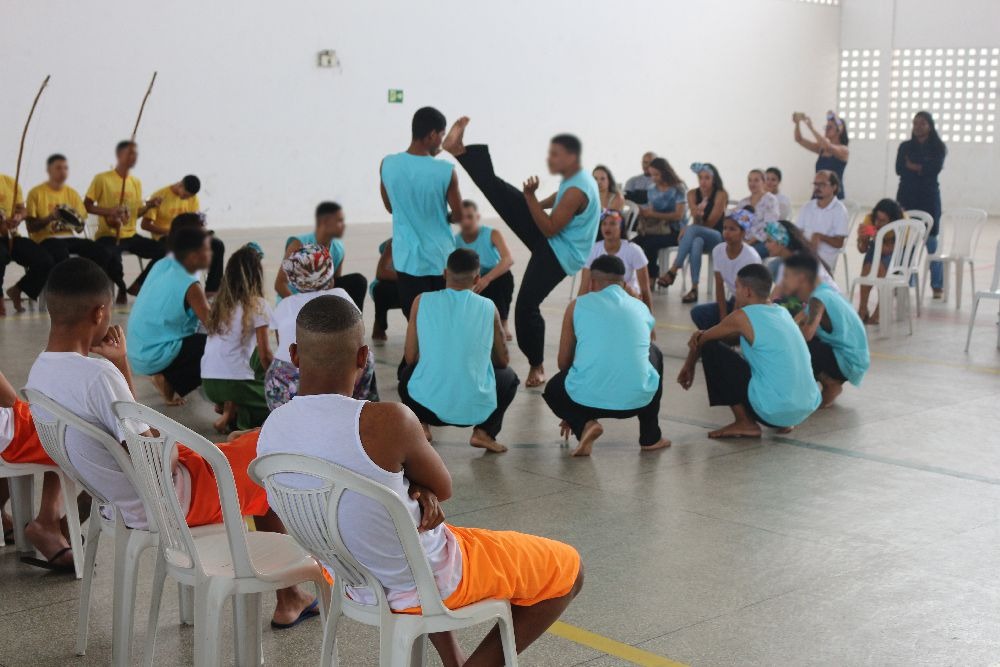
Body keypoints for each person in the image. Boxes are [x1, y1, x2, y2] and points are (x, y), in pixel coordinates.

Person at [257, 295, 583, 666]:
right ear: (363, 358)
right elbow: (444, 488)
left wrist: (410, 487)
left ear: (295, 355)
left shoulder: (272, 430)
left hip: (348, 579)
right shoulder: (388, 422)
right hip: (422, 580)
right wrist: (421, 485)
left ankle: (453, 658)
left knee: (411, 535)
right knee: (569, 570)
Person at [26, 257, 320, 627]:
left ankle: (290, 594)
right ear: (101, 312)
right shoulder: (96, 376)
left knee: (246, 444)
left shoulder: (40, 371)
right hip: (170, 499)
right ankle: (290, 596)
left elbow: (128, 424)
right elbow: (155, 461)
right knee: (269, 455)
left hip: (120, 501)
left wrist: (122, 367)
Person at [443, 117, 601, 388]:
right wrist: (532, 203)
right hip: (556, 240)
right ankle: (460, 151)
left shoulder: (577, 188)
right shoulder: (575, 176)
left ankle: (537, 366)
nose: (550, 159)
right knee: (503, 195)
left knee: (527, 306)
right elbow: (558, 199)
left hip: (559, 253)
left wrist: (528, 200)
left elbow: (550, 228)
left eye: (555, 155)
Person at [677, 264, 821, 438]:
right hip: (802, 410)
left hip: (773, 411)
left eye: (736, 287)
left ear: (747, 292)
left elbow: (703, 340)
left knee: (710, 347)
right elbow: (735, 339)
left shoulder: (742, 316)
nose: (734, 292)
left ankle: (744, 422)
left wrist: (689, 365)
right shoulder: (781, 312)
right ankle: (784, 422)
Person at [543, 255, 669, 456]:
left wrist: (570, 410)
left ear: (592, 282)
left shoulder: (577, 306)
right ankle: (650, 436)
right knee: (654, 353)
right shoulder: (641, 307)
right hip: (636, 402)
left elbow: (563, 363)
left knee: (552, 389)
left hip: (585, 402)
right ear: (624, 283)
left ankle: (584, 424)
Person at [398, 249, 518, 453]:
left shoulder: (421, 301)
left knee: (406, 374)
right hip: (475, 410)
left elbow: (410, 357)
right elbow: (502, 361)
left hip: (426, 405)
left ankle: (422, 427)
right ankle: (484, 432)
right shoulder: (489, 307)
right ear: (477, 278)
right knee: (510, 378)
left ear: (445, 273)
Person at [266, 244, 377, 411]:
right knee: (366, 356)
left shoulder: (284, 305)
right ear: (330, 277)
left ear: (294, 281)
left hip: (282, 382)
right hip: (332, 380)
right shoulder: (340, 295)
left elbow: (282, 344)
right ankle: (359, 409)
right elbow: (357, 336)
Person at [380, 107, 464, 318]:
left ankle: (414, 352)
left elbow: (391, 207)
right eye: (442, 136)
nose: (441, 143)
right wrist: (446, 216)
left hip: (406, 258)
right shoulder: (446, 170)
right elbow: (460, 215)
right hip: (439, 257)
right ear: (432, 134)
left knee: (415, 319)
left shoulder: (387, 164)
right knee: (440, 318)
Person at [0, 368, 86, 572]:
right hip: (7, 433)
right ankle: (48, 521)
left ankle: (8, 519)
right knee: (64, 427)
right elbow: (8, 398)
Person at [126, 225, 213, 406]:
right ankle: (169, 381)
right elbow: (214, 326)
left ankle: (164, 374)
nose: (210, 254)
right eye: (206, 249)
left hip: (137, 350)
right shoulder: (191, 285)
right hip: (154, 355)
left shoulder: (163, 264)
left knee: (199, 334)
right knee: (214, 348)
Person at [781, 254, 869, 408]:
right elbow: (798, 320)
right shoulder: (824, 292)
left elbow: (806, 334)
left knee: (799, 346)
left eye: (787, 276)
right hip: (854, 358)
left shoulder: (818, 298)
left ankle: (830, 383)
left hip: (848, 361)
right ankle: (827, 382)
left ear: (801, 278)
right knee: (796, 339)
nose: (784, 281)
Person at [202, 245, 273, 433]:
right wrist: (276, 381)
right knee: (279, 405)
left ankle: (229, 410)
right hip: (234, 384)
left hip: (209, 383)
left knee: (249, 356)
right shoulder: (258, 305)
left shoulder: (219, 304)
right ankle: (241, 424)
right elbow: (266, 355)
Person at [85, 141, 166, 303]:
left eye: (135, 154)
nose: (134, 157)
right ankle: (121, 287)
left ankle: (138, 285)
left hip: (131, 235)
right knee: (109, 255)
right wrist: (110, 211)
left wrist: (149, 206)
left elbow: (135, 213)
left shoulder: (135, 182)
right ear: (119, 156)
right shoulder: (102, 179)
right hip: (109, 234)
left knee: (166, 251)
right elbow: (87, 205)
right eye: (130, 153)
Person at [24, 154, 111, 279]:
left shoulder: (72, 193)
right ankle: (64, 289)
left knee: (102, 252)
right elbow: (31, 228)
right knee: (60, 253)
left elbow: (80, 224)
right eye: (58, 168)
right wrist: (50, 218)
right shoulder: (36, 193)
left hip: (69, 237)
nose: (63, 171)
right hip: (45, 239)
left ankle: (88, 285)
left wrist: (73, 221)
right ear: (49, 170)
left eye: (65, 168)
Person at [139, 175, 226, 295]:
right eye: (185, 195)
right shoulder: (160, 196)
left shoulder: (193, 198)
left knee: (217, 244)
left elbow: (194, 220)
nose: (186, 198)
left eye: (189, 197)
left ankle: (212, 290)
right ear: (180, 185)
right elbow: (145, 225)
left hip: (188, 236)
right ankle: (145, 285)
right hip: (166, 236)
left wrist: (201, 229)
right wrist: (170, 231)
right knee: (166, 250)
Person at [278, 201, 368, 311]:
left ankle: (354, 324)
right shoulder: (299, 243)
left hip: (317, 298)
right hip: (295, 302)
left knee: (358, 281)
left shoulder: (338, 248)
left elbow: (334, 284)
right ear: (325, 221)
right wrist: (302, 309)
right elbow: (280, 284)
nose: (344, 225)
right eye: (339, 221)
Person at [657, 163, 727, 303]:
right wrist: (697, 215)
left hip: (716, 236)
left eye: (707, 178)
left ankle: (674, 269)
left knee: (692, 230)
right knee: (696, 242)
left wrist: (690, 227)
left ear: (714, 179)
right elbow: (697, 221)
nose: (703, 181)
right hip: (700, 235)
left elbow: (712, 223)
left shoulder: (721, 194)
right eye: (700, 177)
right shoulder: (692, 194)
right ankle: (694, 288)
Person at [896, 110, 947, 299]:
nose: (918, 127)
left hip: (929, 198)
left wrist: (914, 166)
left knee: (932, 242)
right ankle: (906, 280)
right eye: (915, 123)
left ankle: (937, 284)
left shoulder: (938, 147)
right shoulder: (905, 147)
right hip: (907, 197)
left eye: (922, 123)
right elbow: (899, 168)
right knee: (906, 239)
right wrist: (921, 167)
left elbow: (934, 169)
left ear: (930, 126)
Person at [453, 200, 515, 340]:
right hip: (471, 281)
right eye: (462, 218)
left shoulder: (492, 234)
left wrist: (487, 279)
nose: (466, 222)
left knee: (505, 277)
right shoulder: (455, 241)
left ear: (477, 217)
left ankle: (503, 323)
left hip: (492, 279)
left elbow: (508, 259)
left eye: (470, 217)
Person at [691, 209, 762, 330]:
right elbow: (719, 286)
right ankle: (718, 342)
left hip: (751, 304)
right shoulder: (718, 250)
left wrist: (729, 321)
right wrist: (723, 315)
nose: (727, 233)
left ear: (743, 233)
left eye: (732, 229)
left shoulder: (750, 256)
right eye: (725, 228)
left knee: (733, 326)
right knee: (698, 313)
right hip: (735, 299)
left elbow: (746, 295)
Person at [579, 209, 653, 313]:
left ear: (621, 227)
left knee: (623, 288)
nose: (607, 227)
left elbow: (645, 289)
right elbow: (584, 286)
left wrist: (649, 319)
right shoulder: (593, 250)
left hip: (628, 298)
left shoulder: (634, 250)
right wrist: (578, 312)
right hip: (602, 299)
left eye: (613, 224)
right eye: (604, 224)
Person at [1, 172, 53, 314]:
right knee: (1, 256)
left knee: (45, 260)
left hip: (11, 237)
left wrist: (18, 217)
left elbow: (22, 209)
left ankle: (18, 289)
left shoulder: (10, 182)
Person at [633, 157, 687, 281]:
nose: (654, 178)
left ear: (665, 172)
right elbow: (651, 210)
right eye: (652, 175)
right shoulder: (652, 189)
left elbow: (678, 215)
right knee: (635, 242)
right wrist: (644, 212)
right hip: (657, 228)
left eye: (656, 174)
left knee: (650, 243)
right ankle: (637, 279)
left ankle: (651, 277)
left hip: (676, 231)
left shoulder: (678, 188)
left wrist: (653, 214)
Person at [764, 221, 838, 304]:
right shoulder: (788, 263)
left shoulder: (801, 262)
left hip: (829, 308)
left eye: (769, 241)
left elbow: (816, 304)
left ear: (781, 242)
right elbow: (773, 298)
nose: (765, 245)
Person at [856, 198, 904, 324]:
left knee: (881, 268)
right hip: (877, 249)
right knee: (869, 265)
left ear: (892, 220)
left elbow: (889, 251)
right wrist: (862, 238)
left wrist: (878, 237)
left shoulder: (903, 225)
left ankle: (880, 311)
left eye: (883, 221)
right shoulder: (869, 221)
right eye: (877, 219)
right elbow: (862, 249)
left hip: (900, 253)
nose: (878, 223)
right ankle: (862, 308)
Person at [796, 170, 849, 271]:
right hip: (804, 253)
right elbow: (798, 232)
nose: (817, 187)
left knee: (796, 271)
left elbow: (839, 243)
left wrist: (820, 237)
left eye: (822, 184)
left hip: (823, 259)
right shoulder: (807, 206)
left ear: (834, 187)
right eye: (815, 184)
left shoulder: (839, 210)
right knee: (776, 265)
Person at [793, 111, 849, 199]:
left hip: (834, 195)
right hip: (818, 193)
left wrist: (811, 127)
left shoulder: (844, 150)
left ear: (839, 131)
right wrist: (797, 123)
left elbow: (828, 146)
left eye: (830, 127)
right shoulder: (821, 149)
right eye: (826, 127)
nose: (826, 129)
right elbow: (799, 139)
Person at [736, 169, 780, 256]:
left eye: (756, 180)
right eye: (750, 180)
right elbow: (738, 225)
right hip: (743, 241)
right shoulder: (743, 203)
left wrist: (749, 243)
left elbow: (769, 227)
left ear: (764, 182)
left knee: (746, 255)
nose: (752, 183)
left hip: (763, 241)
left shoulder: (770, 200)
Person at [369, 238, 400, 345]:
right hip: (389, 283)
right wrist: (408, 278)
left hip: (410, 284)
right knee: (382, 290)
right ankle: (379, 321)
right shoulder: (394, 242)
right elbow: (381, 273)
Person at [593, 164, 625, 238]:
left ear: (609, 180)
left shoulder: (617, 197)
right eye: (595, 179)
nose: (598, 182)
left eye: (602, 179)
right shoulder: (590, 196)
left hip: (609, 232)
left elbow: (609, 219)